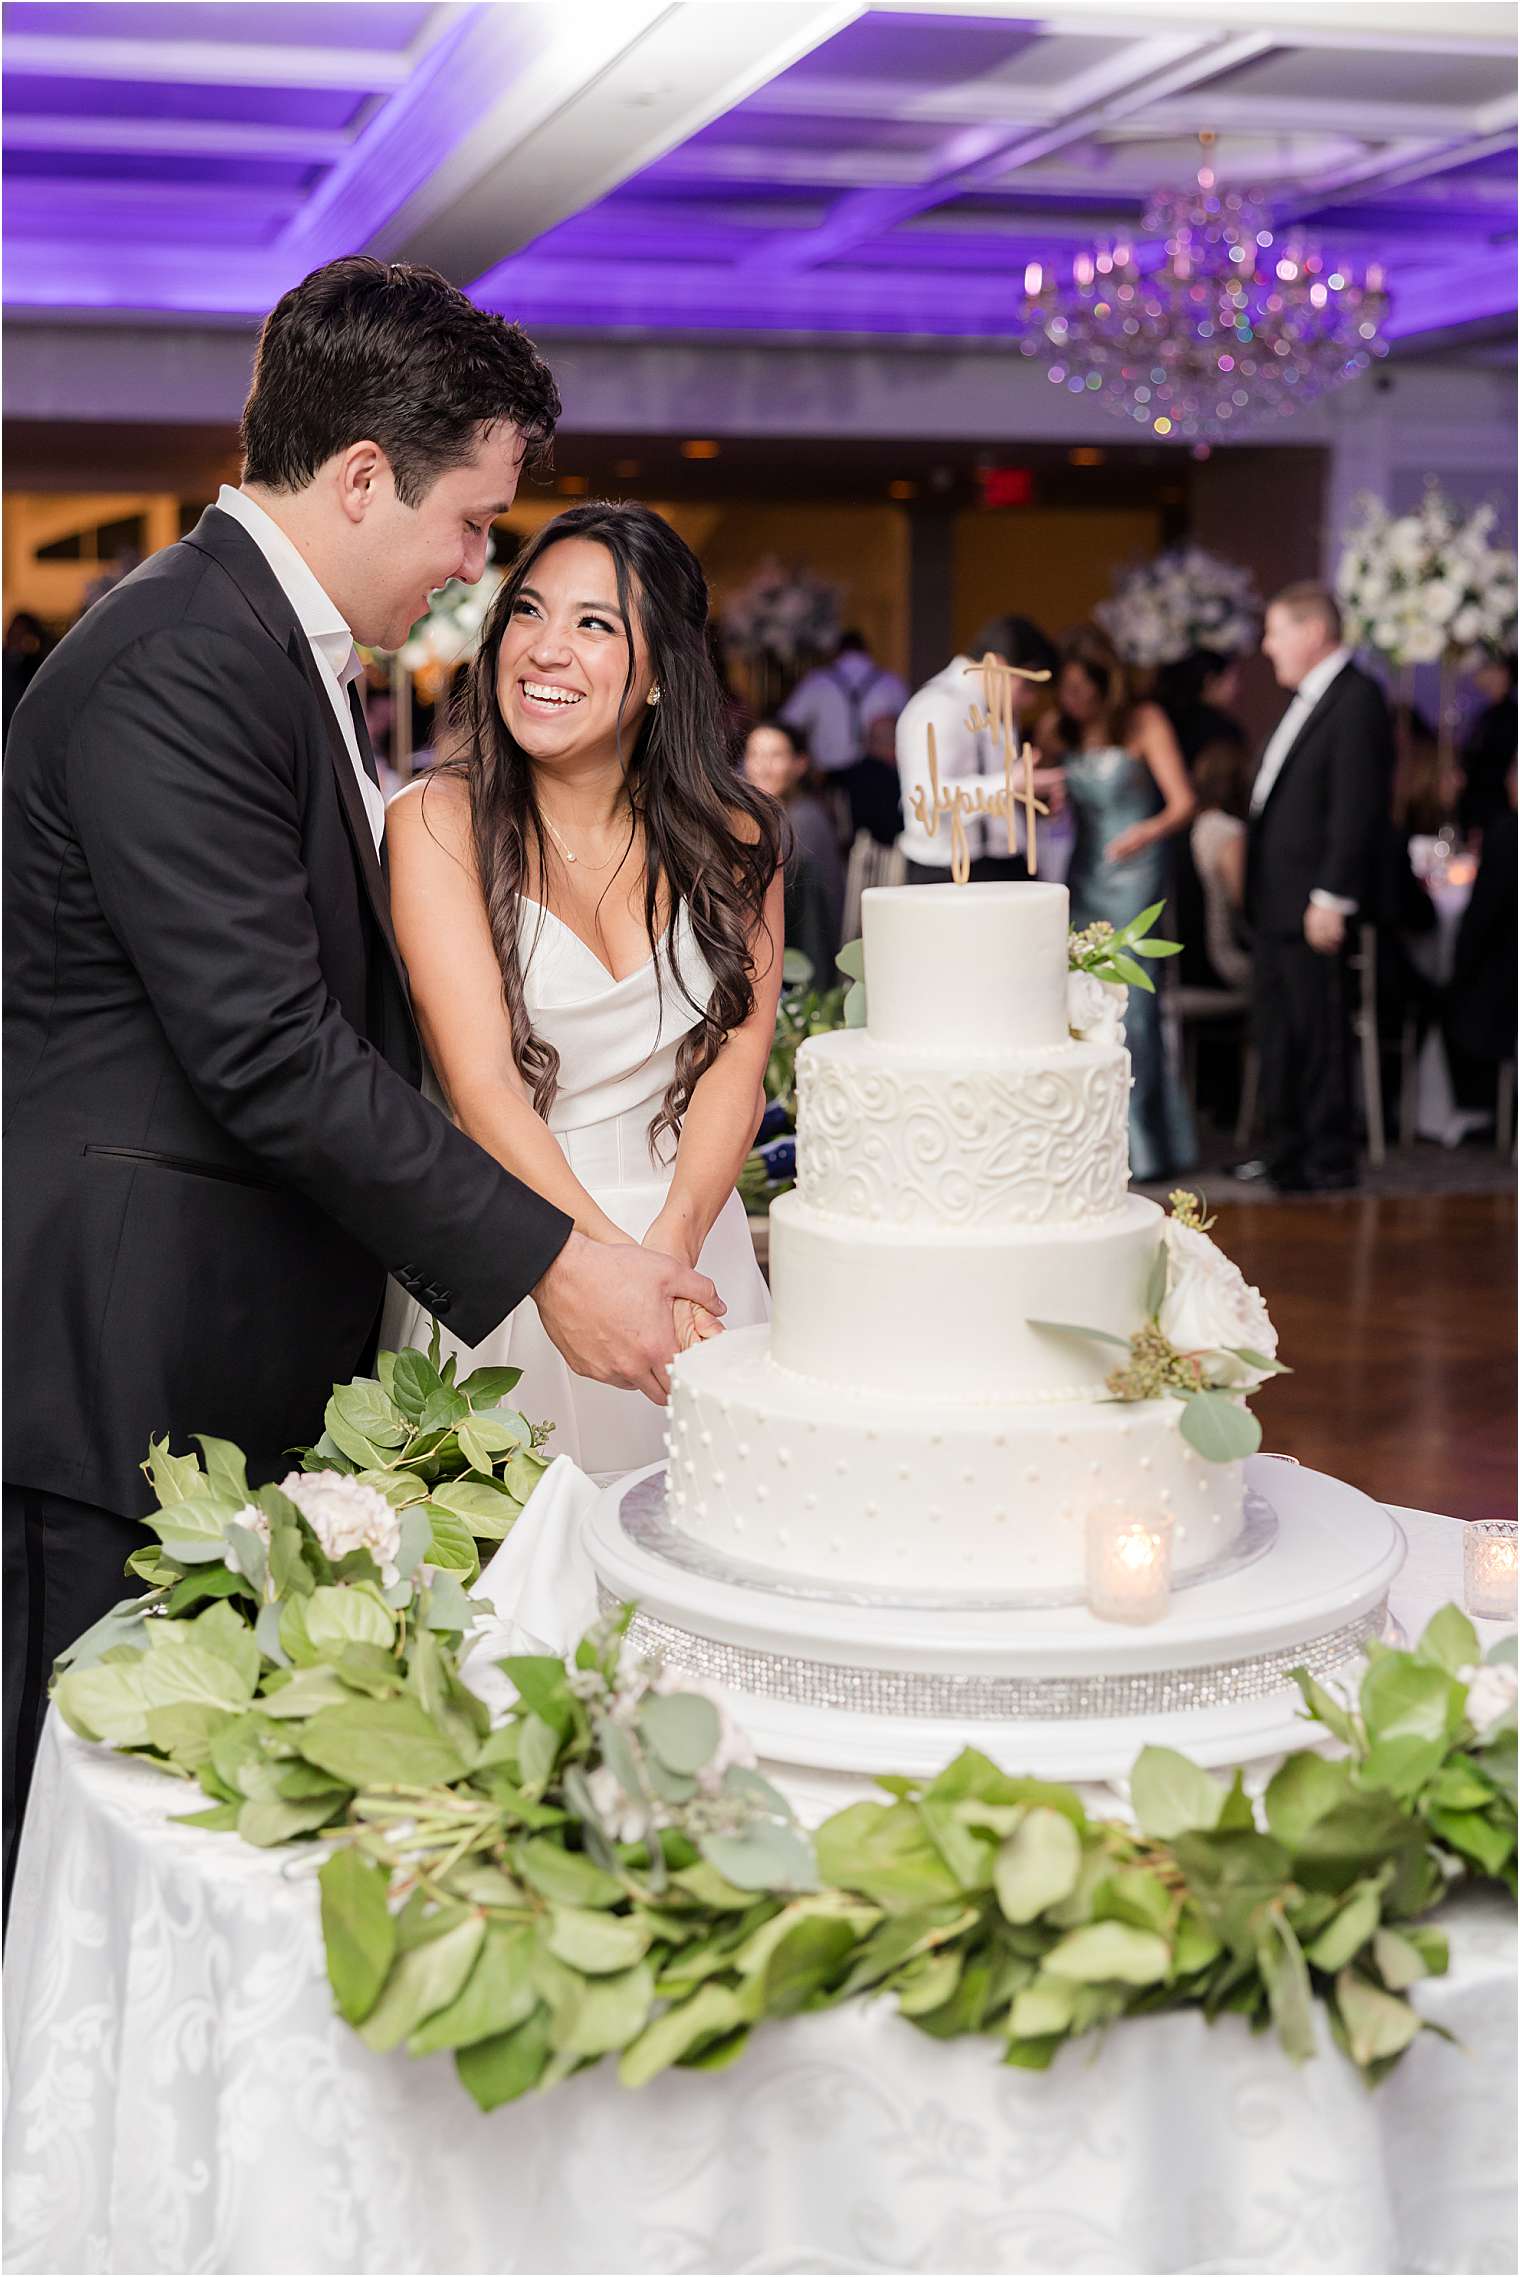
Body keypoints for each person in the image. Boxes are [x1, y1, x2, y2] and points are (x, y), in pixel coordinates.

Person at [2, 259, 723, 1906]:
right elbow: (266, 1047)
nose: (478, 569)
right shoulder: (181, 658)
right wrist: (550, 1259)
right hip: (118, 1359)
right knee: (67, 1844)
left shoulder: (252, 638)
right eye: (473, 525)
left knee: (151, 1842)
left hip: (202, 1345)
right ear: (358, 479)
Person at [385, 503, 781, 1479]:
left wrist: (673, 1248)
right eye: (528, 613)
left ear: (657, 676)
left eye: (594, 625)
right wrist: (602, 1267)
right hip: (520, 1242)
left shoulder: (735, 837)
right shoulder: (436, 823)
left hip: (692, 1246)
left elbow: (737, 1071)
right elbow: (481, 1087)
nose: (545, 650)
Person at [1238, 581, 1394, 1192]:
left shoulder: (1357, 700)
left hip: (1311, 901)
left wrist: (1331, 896)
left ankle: (1325, 1158)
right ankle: (1286, 1151)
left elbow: (1357, 808)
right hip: (1280, 898)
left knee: (1316, 1028)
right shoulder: (1313, 696)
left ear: (1312, 632)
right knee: (1281, 1028)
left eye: (1275, 631)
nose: (1267, 645)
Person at [1052, 625, 1198, 1183]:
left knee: (1131, 1002)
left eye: (1080, 688)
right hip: (1085, 872)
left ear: (1102, 684)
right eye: (1065, 689)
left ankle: (1148, 1146)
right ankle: (1092, 1138)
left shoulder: (1144, 722)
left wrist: (1144, 833)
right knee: (1079, 995)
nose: (1072, 699)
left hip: (1135, 873)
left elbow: (1183, 801)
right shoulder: (1059, 730)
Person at [897, 614, 1061, 884]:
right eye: (1027, 686)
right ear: (996, 664)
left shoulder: (997, 708)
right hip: (949, 870)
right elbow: (925, 797)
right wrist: (1008, 786)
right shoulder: (938, 707)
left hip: (999, 863)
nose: (1030, 700)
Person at [742, 717, 844, 983]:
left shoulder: (805, 820)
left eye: (775, 756)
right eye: (755, 754)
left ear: (799, 764)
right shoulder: (757, 817)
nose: (763, 767)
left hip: (804, 960)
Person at [1189, 739, 1253, 992]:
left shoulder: (1197, 827)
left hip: (1196, 957)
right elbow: (1243, 898)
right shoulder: (1227, 831)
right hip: (1227, 955)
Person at [1458, 652, 1517, 837]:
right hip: (1487, 813)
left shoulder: (1507, 718)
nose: (1479, 673)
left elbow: (1491, 770)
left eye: (1486, 667)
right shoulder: (1491, 715)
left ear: (1503, 674)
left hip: (1492, 814)